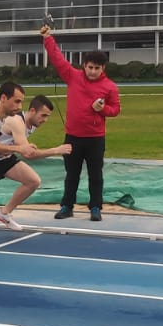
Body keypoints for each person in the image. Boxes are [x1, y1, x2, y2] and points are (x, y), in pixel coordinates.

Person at [40, 23, 121, 221]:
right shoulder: (73, 77)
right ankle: (67, 206)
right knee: (71, 174)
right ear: (84, 65)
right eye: (90, 67)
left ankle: (95, 207)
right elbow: (58, 59)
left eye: (97, 68)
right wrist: (47, 38)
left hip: (95, 138)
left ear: (103, 68)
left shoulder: (110, 87)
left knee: (96, 175)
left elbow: (116, 110)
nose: (92, 71)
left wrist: (103, 110)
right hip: (73, 137)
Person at [0, 93, 70, 230]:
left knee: (33, 181)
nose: (45, 120)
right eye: (43, 115)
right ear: (32, 111)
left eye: (47, 116)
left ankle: (4, 213)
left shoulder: (32, 123)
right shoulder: (17, 122)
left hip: (5, 159)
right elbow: (28, 154)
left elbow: (24, 149)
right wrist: (56, 150)